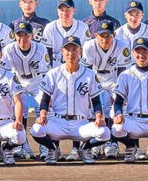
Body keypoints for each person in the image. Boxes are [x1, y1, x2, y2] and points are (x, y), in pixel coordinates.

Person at [30, 36, 111, 164]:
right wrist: (43, 114)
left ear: (80, 51)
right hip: (58, 122)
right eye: (67, 49)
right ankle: (53, 149)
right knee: (36, 129)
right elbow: (45, 98)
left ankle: (84, 149)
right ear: (62, 51)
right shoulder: (53, 73)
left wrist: (99, 116)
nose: (70, 53)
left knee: (105, 133)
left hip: (81, 123)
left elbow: (96, 100)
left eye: (74, 49)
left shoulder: (89, 74)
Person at [79, 19, 132, 159]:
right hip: (95, 77)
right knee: (93, 110)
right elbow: (86, 72)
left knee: (113, 110)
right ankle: (95, 143)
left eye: (108, 35)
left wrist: (121, 93)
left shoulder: (122, 46)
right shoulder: (89, 46)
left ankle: (111, 143)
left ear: (114, 35)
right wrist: (88, 94)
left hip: (114, 78)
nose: (104, 39)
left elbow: (122, 71)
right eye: (101, 36)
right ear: (95, 35)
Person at [1, 20, 51, 160]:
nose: (22, 38)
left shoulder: (40, 48)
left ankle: (44, 146)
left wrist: (48, 94)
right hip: (18, 80)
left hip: (37, 81)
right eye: (19, 35)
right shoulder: (9, 49)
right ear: (15, 35)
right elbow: (5, 73)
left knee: (43, 110)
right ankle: (23, 146)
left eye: (26, 35)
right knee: (18, 112)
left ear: (32, 35)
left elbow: (46, 74)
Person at [42, 0, 92, 67]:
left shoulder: (83, 27)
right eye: (62, 10)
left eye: (68, 10)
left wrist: (84, 69)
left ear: (74, 11)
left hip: (77, 65)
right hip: (57, 66)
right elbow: (46, 52)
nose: (65, 13)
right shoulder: (50, 28)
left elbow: (87, 52)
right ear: (57, 12)